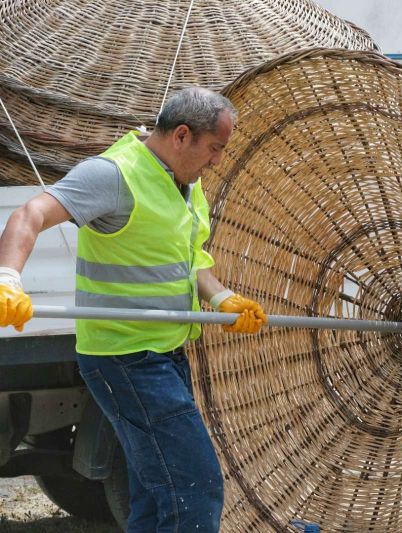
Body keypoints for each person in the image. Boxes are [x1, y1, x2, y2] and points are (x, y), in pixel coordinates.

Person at [0, 87, 267, 531]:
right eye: (216, 148)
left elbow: (187, 258)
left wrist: (221, 297)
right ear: (182, 135)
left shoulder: (184, 181)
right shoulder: (114, 175)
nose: (218, 160)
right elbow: (30, 214)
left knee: (155, 492)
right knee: (195, 488)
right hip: (124, 356)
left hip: (165, 353)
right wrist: (8, 278)